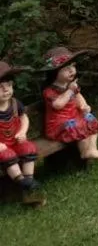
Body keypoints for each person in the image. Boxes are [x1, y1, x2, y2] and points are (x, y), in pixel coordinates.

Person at [41, 47, 98, 161]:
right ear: (55, 73)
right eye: (67, 68)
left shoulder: (71, 85)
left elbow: (79, 96)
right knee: (79, 127)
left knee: (91, 120)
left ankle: (91, 149)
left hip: (73, 118)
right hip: (58, 125)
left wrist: (84, 106)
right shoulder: (49, 91)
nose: (72, 70)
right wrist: (69, 90)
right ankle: (85, 151)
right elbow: (58, 105)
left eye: (73, 66)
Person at [0, 60, 44, 204]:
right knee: (8, 155)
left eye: (9, 86)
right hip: (2, 147)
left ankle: (29, 179)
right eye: (0, 87)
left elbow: (24, 118)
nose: (6, 90)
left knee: (28, 147)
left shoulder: (15, 103)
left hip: (15, 141)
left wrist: (22, 132)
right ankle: (20, 181)